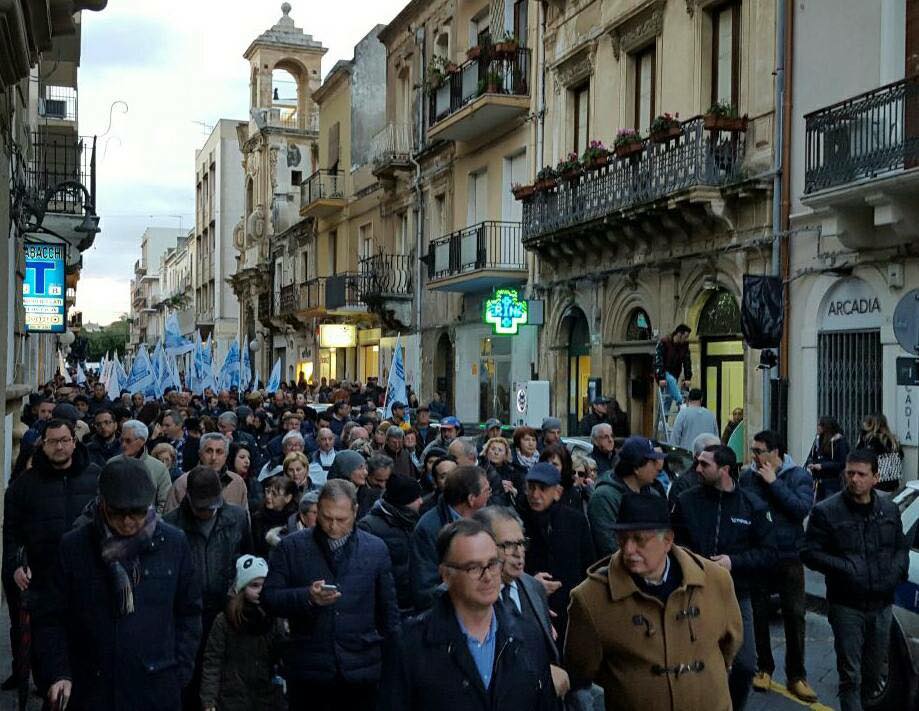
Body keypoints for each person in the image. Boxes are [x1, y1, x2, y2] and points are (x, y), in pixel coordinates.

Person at [32, 458, 202, 711]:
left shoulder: (174, 544)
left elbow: (188, 612)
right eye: (118, 513)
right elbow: (50, 618)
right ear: (102, 505)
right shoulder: (75, 547)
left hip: (156, 686)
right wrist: (58, 673)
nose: (127, 522)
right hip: (90, 688)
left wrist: (179, 670)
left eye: (136, 513)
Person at [565, 493, 742, 711]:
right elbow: (582, 668)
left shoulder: (716, 580)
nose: (628, 549)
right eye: (622, 538)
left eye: (639, 539)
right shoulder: (590, 598)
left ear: (667, 540)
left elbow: (730, 644)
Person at [379, 519, 555, 710]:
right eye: (474, 568)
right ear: (446, 575)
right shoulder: (410, 645)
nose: (487, 576)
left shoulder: (528, 635)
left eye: (493, 564)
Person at [262, 479, 400, 708]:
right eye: (326, 518)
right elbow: (269, 598)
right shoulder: (291, 547)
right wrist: (307, 596)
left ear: (355, 511)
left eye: (341, 519)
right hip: (309, 669)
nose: (333, 526)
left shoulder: (375, 549)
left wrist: (394, 669)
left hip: (361, 668)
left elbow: (389, 613)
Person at [801, 450, 910, 711]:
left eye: (861, 474)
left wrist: (894, 574)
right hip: (846, 605)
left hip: (882, 605)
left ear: (875, 477)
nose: (854, 479)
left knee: (873, 675)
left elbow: (900, 548)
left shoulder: (889, 510)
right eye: (850, 473)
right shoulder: (827, 512)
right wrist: (846, 568)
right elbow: (809, 552)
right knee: (851, 676)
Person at [671, 445, 777, 710]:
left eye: (705, 465)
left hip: (735, 594)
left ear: (725, 470)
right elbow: (672, 544)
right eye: (697, 463)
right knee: (691, 662)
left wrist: (733, 562)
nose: (697, 469)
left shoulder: (752, 505)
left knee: (744, 664)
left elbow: (769, 553)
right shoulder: (686, 501)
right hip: (692, 592)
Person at [2, 418, 101, 693]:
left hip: (86, 581)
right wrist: (15, 566)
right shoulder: (24, 486)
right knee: (47, 650)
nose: (60, 446)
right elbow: (11, 534)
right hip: (43, 580)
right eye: (53, 441)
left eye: (65, 440)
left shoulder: (95, 477)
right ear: (43, 445)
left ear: (74, 441)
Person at [164, 465, 252, 708]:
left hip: (227, 613)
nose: (207, 512)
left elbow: (247, 560)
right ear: (188, 498)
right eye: (202, 507)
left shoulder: (236, 518)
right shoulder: (170, 527)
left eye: (212, 506)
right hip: (186, 617)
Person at [739, 429, 817, 701]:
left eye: (759, 451)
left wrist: (774, 483)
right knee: (759, 612)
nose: (754, 456)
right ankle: (764, 667)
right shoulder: (748, 476)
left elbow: (800, 509)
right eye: (753, 451)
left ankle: (797, 675)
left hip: (789, 555)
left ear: (776, 453)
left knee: (795, 615)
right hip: (759, 555)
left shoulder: (799, 476)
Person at [473, 506, 571, 702]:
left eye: (521, 543)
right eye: (508, 545)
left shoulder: (533, 587)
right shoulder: (468, 597)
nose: (519, 553)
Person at [518, 461, 596, 640]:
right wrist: (530, 583)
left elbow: (588, 564)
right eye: (531, 488)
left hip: (569, 609)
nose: (535, 495)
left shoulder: (575, 521)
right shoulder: (515, 521)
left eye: (542, 488)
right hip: (529, 608)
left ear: (557, 492)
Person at [200, 555, 285, 711]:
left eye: (264, 585)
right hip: (232, 698)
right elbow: (213, 662)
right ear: (242, 587)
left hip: (267, 697)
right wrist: (209, 701)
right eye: (254, 585)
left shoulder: (274, 617)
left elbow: (282, 655)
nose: (260, 590)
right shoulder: (224, 620)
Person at [410, 465, 492, 611]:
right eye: (487, 490)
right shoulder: (429, 528)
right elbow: (425, 592)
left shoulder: (487, 519)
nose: (490, 494)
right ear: (471, 499)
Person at [587, 435, 664, 558]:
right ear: (637, 468)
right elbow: (608, 545)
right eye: (652, 462)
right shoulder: (604, 498)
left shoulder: (653, 494)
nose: (658, 467)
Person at [357, 474, 423, 614]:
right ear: (404, 500)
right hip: (385, 607)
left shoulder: (413, 521)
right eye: (417, 497)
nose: (421, 501)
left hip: (411, 603)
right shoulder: (369, 527)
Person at [165, 433, 249, 513]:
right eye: (209, 451)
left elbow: (244, 521)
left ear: (226, 456)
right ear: (200, 454)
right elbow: (170, 523)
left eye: (219, 452)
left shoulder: (237, 483)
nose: (213, 457)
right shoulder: (183, 483)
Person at [108, 419, 172, 514]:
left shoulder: (159, 469)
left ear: (141, 441)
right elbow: (102, 498)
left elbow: (165, 504)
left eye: (128, 441)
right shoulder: (111, 464)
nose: (123, 445)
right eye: (122, 440)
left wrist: (151, 523)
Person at [251, 474, 299, 557]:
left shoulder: (295, 521)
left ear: (288, 498)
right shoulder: (258, 516)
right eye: (267, 491)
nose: (268, 496)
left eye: (274, 494)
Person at [667, 432, 721, 506]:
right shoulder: (683, 484)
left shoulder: (720, 478)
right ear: (698, 456)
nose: (719, 457)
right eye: (714, 453)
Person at [805, 416, 849, 501]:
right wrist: (810, 463)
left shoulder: (839, 442)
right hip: (818, 482)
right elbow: (811, 455)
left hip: (832, 483)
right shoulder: (818, 441)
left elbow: (842, 463)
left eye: (820, 425)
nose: (818, 427)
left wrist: (822, 466)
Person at [856, 414, 903, 493]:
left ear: (870, 424)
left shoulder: (871, 440)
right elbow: (901, 456)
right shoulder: (893, 440)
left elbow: (859, 456)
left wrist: (862, 435)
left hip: (876, 486)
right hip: (893, 485)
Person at [655, 324, 692, 413]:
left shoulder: (684, 346)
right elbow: (658, 360)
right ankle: (681, 402)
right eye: (685, 336)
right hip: (664, 371)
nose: (686, 339)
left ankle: (663, 422)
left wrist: (687, 378)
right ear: (679, 334)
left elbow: (687, 362)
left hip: (675, 373)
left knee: (668, 399)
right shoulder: (664, 342)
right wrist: (661, 377)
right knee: (671, 380)